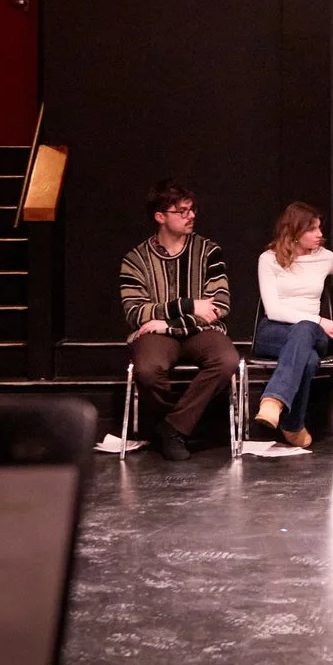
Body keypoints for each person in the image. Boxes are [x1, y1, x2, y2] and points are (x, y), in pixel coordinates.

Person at [118, 180, 241, 462]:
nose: (191, 216)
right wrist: (189, 305)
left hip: (200, 332)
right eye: (182, 211)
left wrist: (168, 323)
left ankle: (173, 427)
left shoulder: (209, 252)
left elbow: (220, 306)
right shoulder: (135, 260)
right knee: (148, 369)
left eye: (192, 209)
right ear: (160, 217)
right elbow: (136, 312)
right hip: (158, 336)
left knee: (226, 360)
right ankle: (174, 423)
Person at [250, 202, 333, 451]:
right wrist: (319, 320)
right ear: (295, 232)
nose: (320, 234)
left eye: (320, 228)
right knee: (308, 358)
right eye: (313, 229)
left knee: (305, 329)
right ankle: (293, 424)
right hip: (274, 331)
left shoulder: (324, 258)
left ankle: (274, 401)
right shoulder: (268, 259)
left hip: (311, 332)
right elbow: (273, 310)